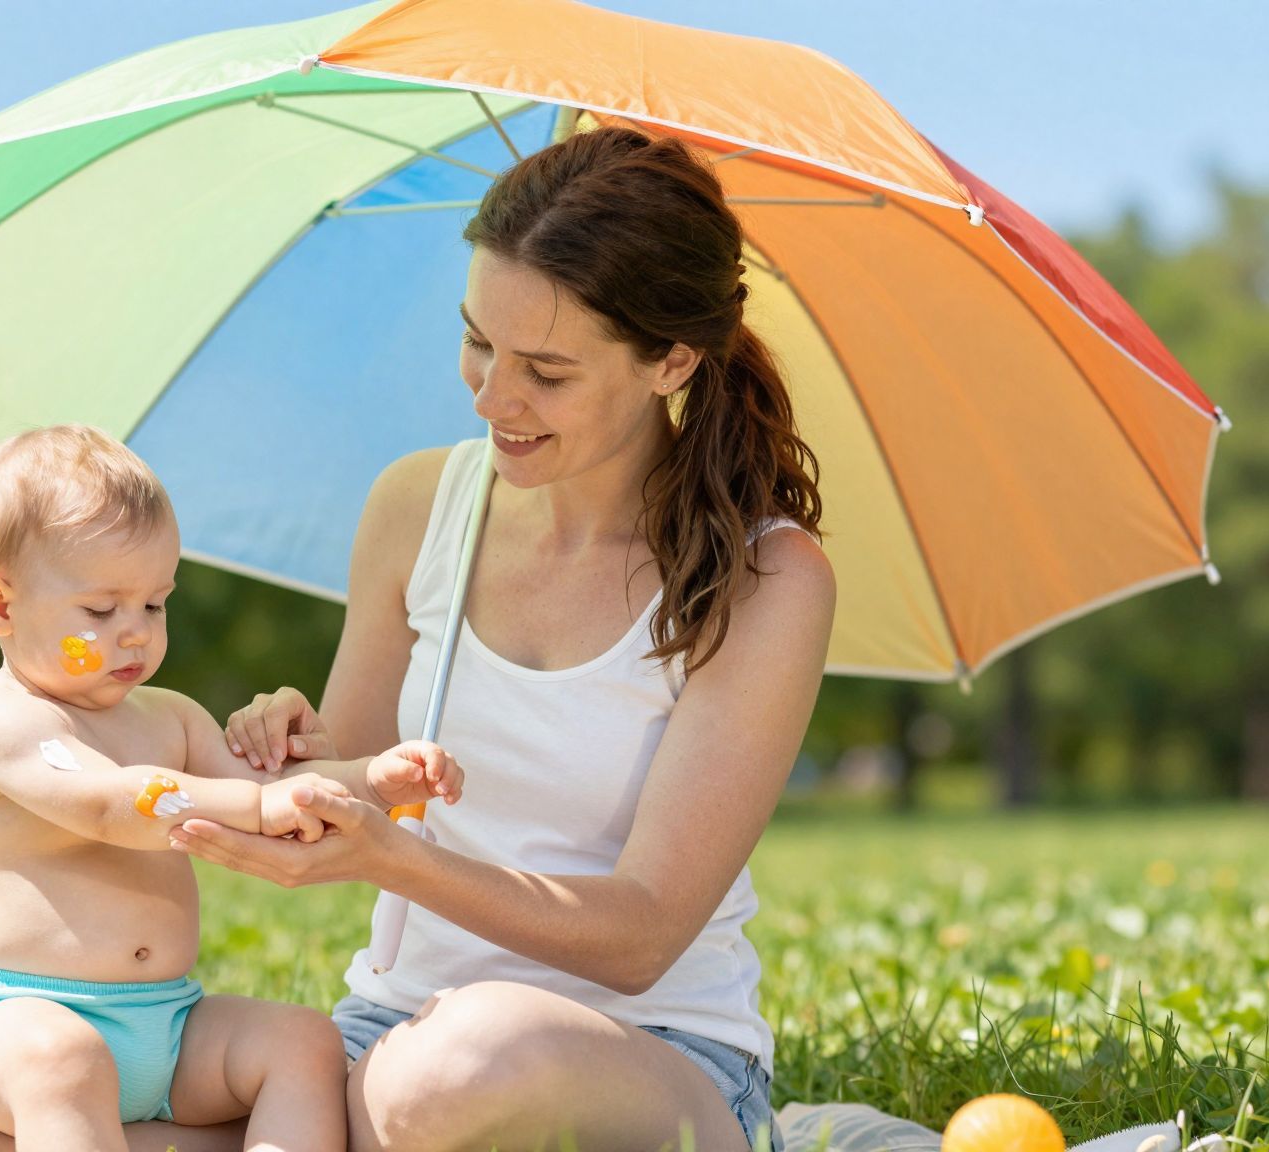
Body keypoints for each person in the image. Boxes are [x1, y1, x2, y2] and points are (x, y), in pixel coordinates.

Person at [180, 123, 834, 1152]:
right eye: (477, 341)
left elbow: (643, 934)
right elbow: (359, 779)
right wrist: (294, 759)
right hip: (395, 1030)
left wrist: (394, 862)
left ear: (670, 360)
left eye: (546, 371)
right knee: (44, 1106)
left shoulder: (764, 579)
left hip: (650, 1054)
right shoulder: (416, 508)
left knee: (456, 1069)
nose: (491, 397)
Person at [0, 425, 462, 1152]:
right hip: (21, 1024)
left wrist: (369, 779)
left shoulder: (171, 718)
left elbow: (277, 788)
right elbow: (114, 803)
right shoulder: (6, 723)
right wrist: (258, 804)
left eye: (155, 604)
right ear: (0, 607)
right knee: (63, 1065)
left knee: (303, 1040)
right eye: (101, 611)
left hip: (166, 1022)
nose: (135, 632)